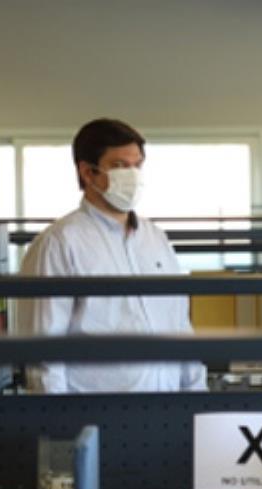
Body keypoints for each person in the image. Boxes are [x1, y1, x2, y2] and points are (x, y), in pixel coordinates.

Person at [21, 118, 206, 393]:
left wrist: (196, 398)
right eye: (120, 166)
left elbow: (179, 324)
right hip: (96, 413)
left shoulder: (156, 238)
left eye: (137, 165)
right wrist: (58, 423)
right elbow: (45, 349)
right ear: (87, 172)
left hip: (167, 405)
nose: (132, 175)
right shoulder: (59, 242)